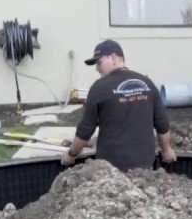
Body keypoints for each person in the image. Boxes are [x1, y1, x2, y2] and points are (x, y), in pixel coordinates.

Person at [62, 40, 177, 171]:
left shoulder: (99, 87)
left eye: (99, 63)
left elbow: (85, 130)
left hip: (111, 170)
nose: (97, 69)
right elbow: (162, 122)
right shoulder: (147, 83)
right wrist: (167, 150)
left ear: (113, 58)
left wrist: (71, 155)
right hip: (145, 167)